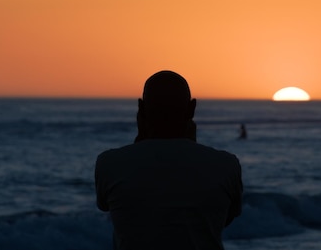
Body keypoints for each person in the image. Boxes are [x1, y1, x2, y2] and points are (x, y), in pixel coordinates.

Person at [95, 70, 243, 250]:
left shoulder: (109, 164)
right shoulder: (226, 166)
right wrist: (190, 145)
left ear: (141, 108)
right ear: (192, 109)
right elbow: (219, 219)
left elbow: (111, 208)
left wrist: (141, 141)